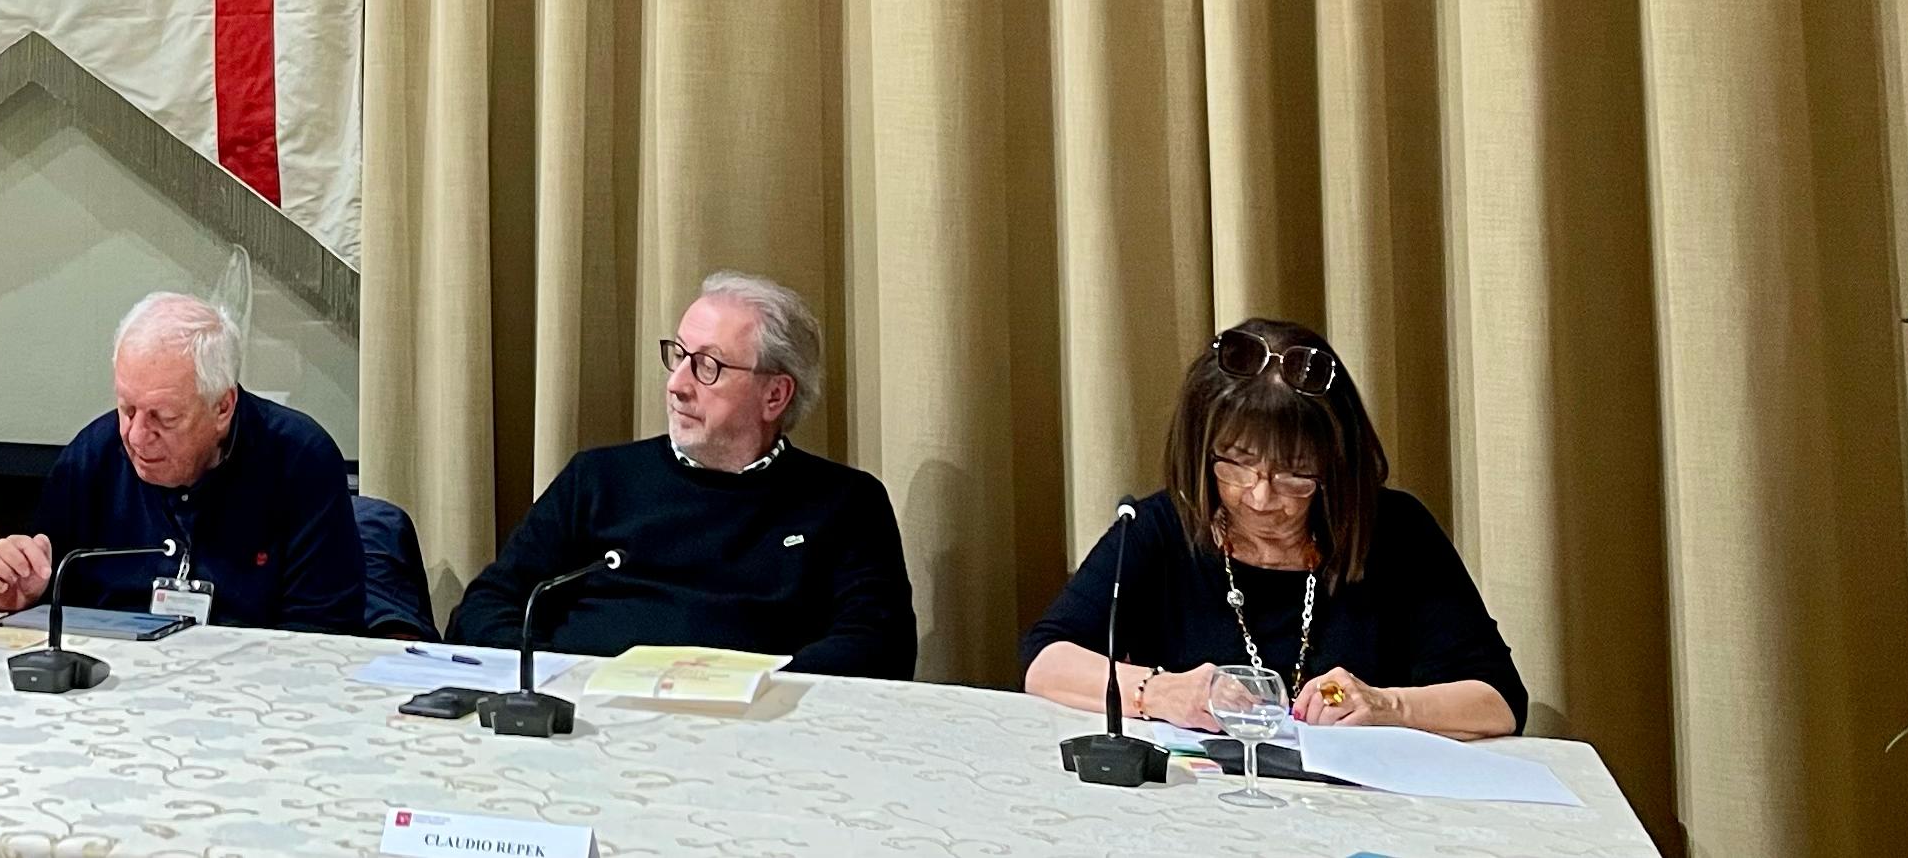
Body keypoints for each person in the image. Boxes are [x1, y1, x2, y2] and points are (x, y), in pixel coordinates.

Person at [1019, 319, 1525, 738]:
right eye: (1236, 464)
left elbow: (1498, 701)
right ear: (1201, 453)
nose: (1261, 497)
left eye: (1294, 473)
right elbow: (1046, 660)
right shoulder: (1161, 527)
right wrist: (1158, 691)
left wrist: (1387, 705)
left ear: (1335, 465)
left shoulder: (1395, 530)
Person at [446, 272, 915, 677]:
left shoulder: (846, 503)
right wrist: (560, 676)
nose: (677, 385)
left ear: (775, 395)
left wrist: (761, 691)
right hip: (586, 717)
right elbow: (487, 606)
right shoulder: (597, 479)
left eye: (708, 367)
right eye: (678, 356)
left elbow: (878, 645)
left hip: (757, 729)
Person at [0, 293, 363, 635]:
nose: (137, 436)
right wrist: (23, 597)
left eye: (165, 418)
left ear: (223, 407)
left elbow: (323, 634)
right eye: (127, 409)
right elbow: (48, 599)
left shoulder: (300, 461)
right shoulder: (92, 458)